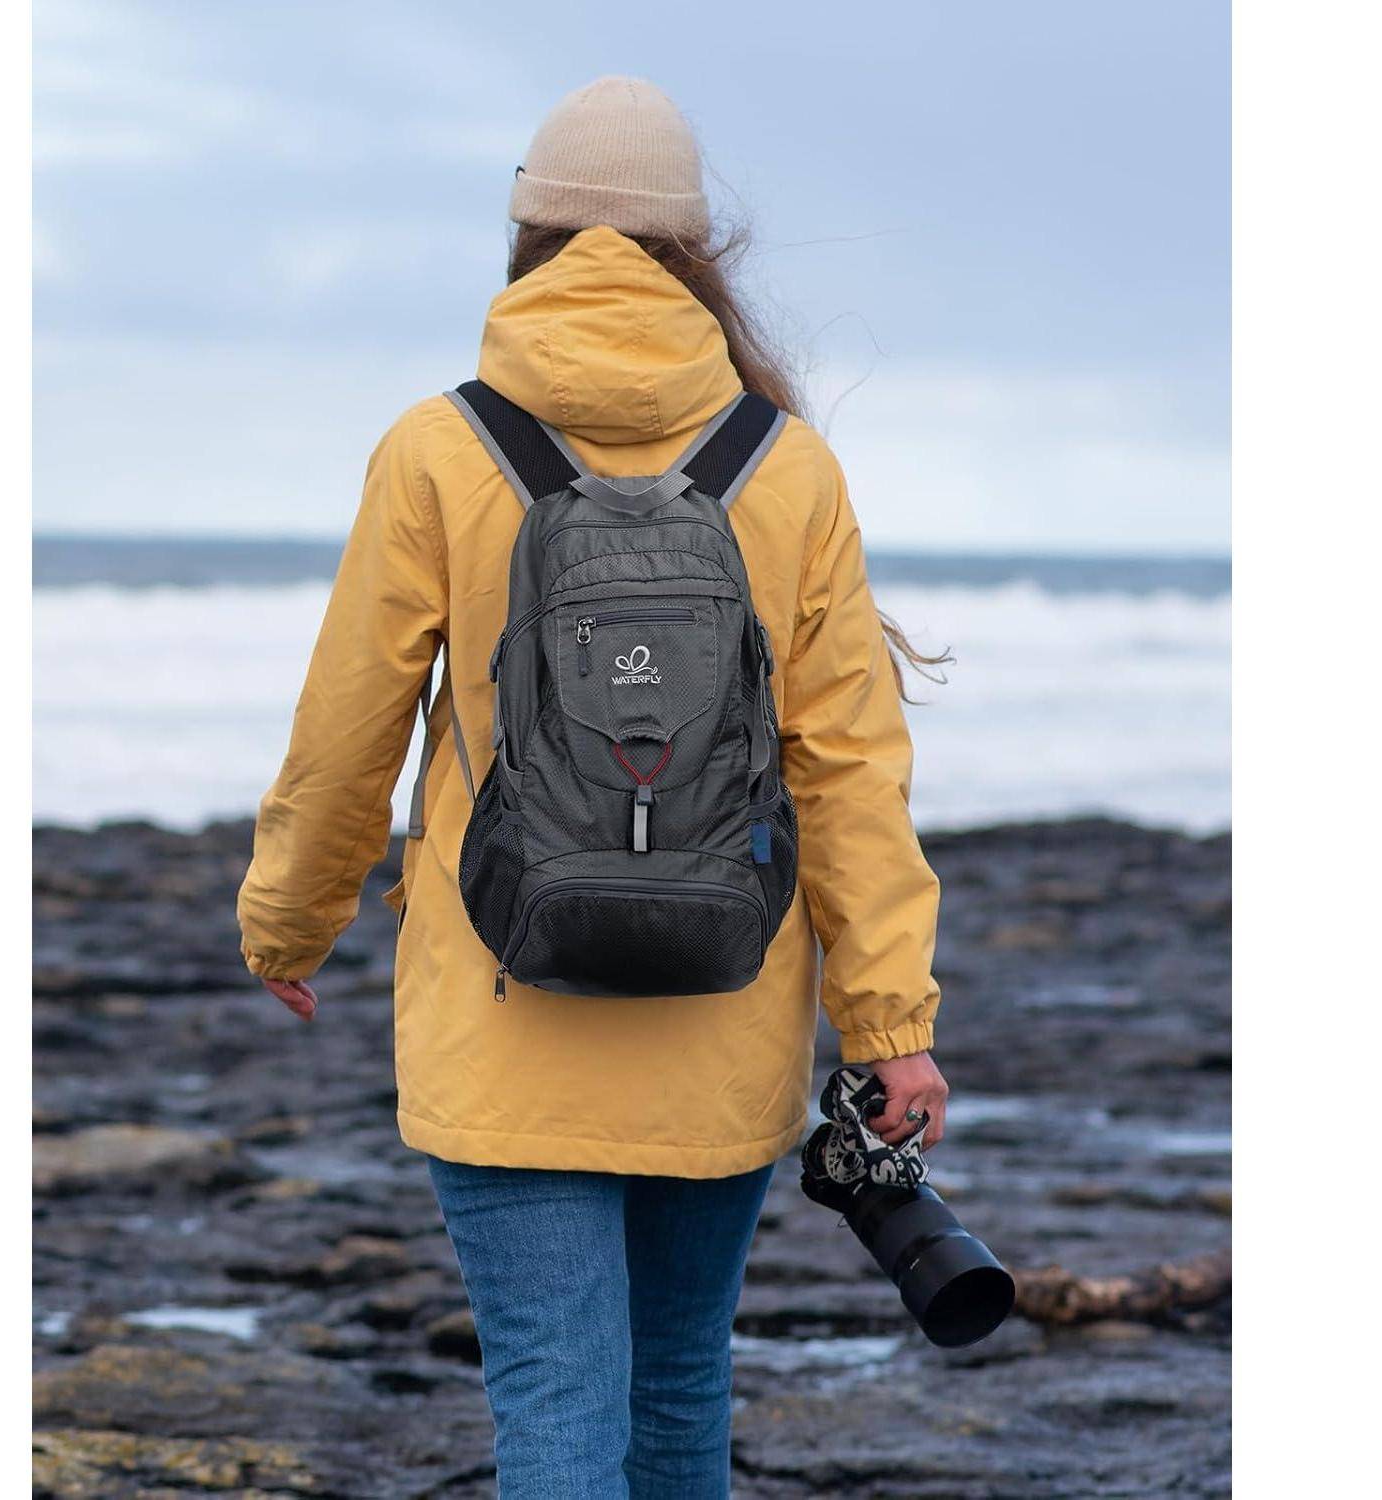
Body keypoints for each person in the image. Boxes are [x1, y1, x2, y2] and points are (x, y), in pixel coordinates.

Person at [238, 75, 948, 1500]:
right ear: (698, 253)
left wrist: (291, 922)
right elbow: (849, 767)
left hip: (507, 1014)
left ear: (528, 237)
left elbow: (349, 727)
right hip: (723, 1011)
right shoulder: (784, 466)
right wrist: (889, 1020)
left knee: (556, 1409)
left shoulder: (440, 449)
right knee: (680, 1393)